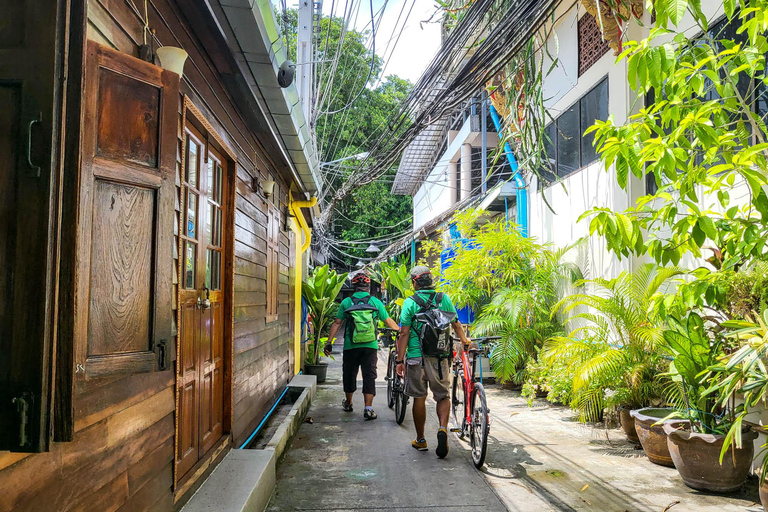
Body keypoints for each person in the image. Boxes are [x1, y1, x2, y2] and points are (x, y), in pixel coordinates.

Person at [396, 266, 471, 458]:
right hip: (439, 356)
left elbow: (404, 332)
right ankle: (443, 428)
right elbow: (455, 323)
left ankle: (421, 440)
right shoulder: (443, 298)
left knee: (419, 397)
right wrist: (464, 339)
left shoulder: (410, 303)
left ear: (414, 283)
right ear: (431, 281)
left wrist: (399, 359)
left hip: (416, 357)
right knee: (442, 396)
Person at [326, 273, 399, 420]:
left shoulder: (346, 302)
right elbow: (387, 320)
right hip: (370, 345)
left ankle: (348, 402)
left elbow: (337, 323)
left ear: (354, 287)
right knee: (369, 375)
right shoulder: (375, 302)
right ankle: (368, 408)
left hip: (350, 346)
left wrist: (329, 342)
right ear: (367, 287)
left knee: (349, 374)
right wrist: (400, 333)